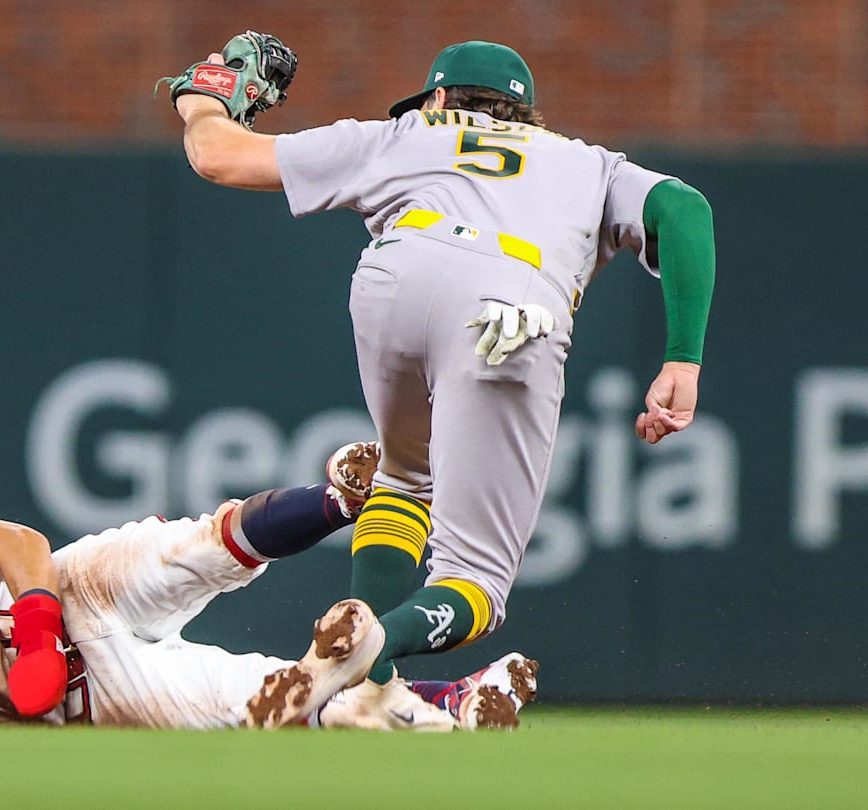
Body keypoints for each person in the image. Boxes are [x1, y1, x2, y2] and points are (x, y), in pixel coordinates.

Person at [167, 38, 715, 684]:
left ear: (438, 98)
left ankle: (358, 682)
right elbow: (684, 209)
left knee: (403, 477)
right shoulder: (589, 164)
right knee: (476, 580)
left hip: (394, 275)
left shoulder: (405, 133)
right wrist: (683, 358)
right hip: (512, 300)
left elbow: (220, 157)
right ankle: (371, 645)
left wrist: (200, 99)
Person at [0, 451, 532, 731]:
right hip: (89, 696)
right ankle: (445, 706)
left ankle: (341, 501)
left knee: (191, 547)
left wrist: (34, 625)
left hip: (62, 598)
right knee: (261, 699)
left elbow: (13, 543)